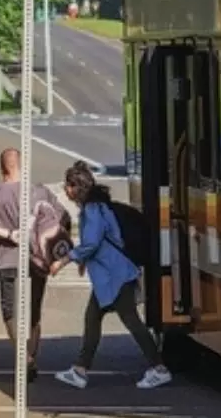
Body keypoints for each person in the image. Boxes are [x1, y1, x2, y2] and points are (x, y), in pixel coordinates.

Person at [50, 162, 171, 390]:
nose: (66, 190)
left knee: (131, 321)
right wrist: (84, 261)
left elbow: (92, 242)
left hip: (115, 276)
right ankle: (80, 369)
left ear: (76, 187)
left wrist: (65, 260)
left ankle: (159, 368)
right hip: (113, 274)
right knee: (94, 318)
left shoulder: (92, 209)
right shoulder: (98, 206)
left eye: (68, 185)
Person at [0, 148, 71, 382]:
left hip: (8, 257)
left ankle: (23, 357)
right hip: (38, 258)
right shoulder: (40, 191)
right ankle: (32, 356)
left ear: (2, 169)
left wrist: (8, 233)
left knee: (10, 309)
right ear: (22, 165)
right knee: (34, 308)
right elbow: (64, 217)